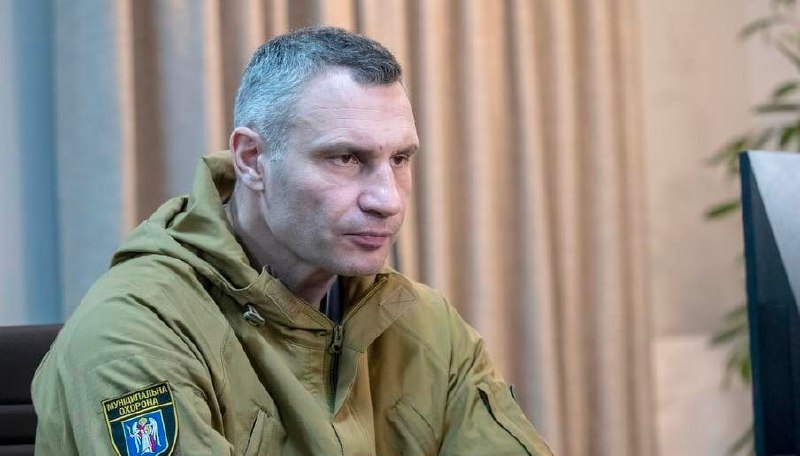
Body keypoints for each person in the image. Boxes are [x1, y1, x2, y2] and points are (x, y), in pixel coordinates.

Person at [32, 26, 554, 455]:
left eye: (399, 159)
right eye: (345, 158)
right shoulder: (135, 335)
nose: (388, 199)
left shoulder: (424, 323)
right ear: (252, 160)